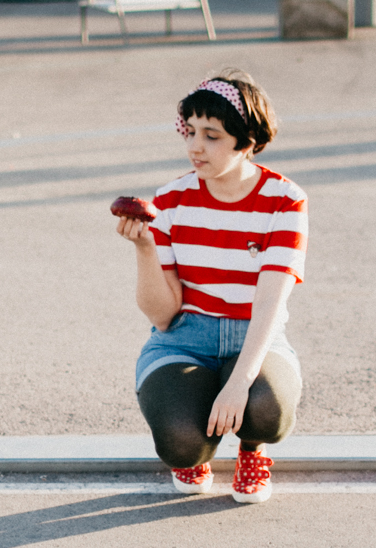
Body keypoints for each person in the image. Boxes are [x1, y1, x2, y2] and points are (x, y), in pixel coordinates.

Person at [115, 70, 307, 504]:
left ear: (248, 140)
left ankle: (251, 450)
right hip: (184, 340)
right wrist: (145, 249)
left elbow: (272, 303)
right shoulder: (169, 202)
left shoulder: (285, 199)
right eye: (191, 132)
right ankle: (197, 451)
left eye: (212, 136)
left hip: (255, 335)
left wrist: (240, 382)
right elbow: (162, 314)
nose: (194, 146)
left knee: (266, 410)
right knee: (181, 442)